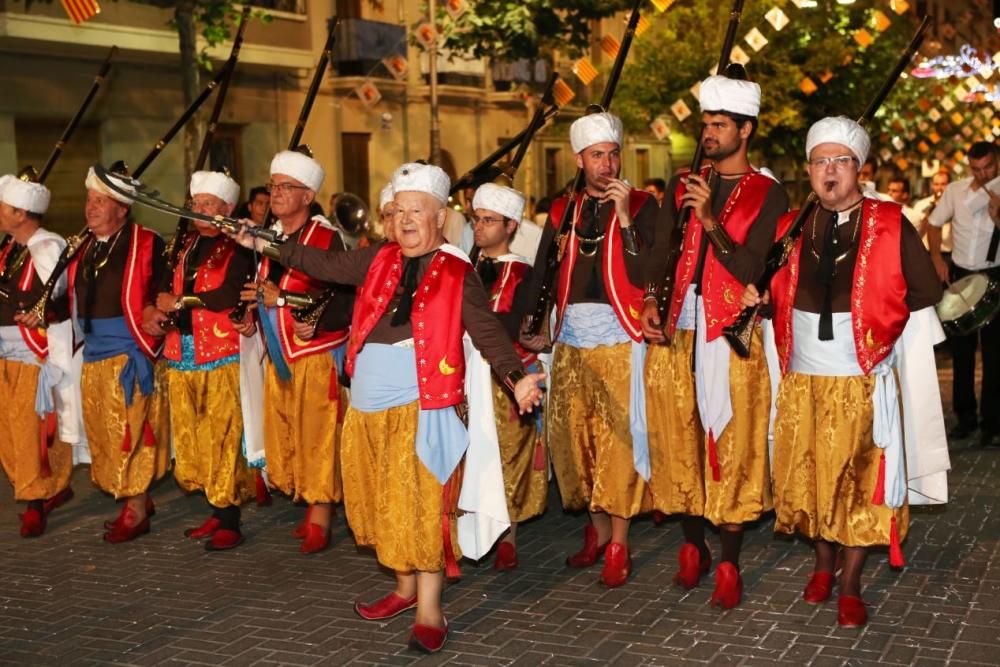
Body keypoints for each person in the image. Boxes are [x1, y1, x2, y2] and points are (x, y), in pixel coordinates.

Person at [229, 161, 545, 653]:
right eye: (398, 212)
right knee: (380, 500)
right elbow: (317, 264)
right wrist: (260, 242)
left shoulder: (458, 270)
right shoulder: (375, 259)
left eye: (416, 211)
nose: (405, 220)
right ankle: (402, 589)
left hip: (425, 407)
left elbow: (487, 333)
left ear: (440, 216)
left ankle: (430, 610)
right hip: (368, 409)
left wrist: (518, 378)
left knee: (422, 508)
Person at [742, 116, 944, 627]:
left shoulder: (890, 221)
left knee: (858, 479)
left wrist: (881, 320)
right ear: (808, 170)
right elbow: (771, 293)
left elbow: (925, 292)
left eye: (841, 161)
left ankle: (851, 581)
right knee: (807, 474)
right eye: (820, 162)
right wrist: (760, 299)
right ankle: (823, 563)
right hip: (802, 376)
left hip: (859, 375)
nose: (829, 171)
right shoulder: (790, 226)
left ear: (859, 169)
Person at [640, 74, 788, 608]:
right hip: (678, 327)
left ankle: (728, 559)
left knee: (732, 442)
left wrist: (710, 221)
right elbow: (661, 250)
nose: (708, 133)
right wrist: (652, 300)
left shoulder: (770, 193)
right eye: (705, 124)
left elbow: (756, 271)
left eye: (720, 125)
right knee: (677, 438)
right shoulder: (682, 184)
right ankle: (691, 546)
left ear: (745, 130)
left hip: (731, 336)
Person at [527, 111, 657, 588]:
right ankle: (598, 532)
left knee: (617, 444)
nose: (608, 163)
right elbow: (542, 270)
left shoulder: (643, 205)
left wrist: (624, 221)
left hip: (620, 336)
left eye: (613, 154)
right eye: (597, 155)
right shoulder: (563, 211)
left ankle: (620, 541)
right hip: (571, 340)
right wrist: (532, 323)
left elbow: (650, 273)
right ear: (580, 160)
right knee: (573, 443)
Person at [234, 149, 355, 554]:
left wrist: (285, 301)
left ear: (308, 195)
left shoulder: (325, 236)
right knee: (290, 433)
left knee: (318, 433)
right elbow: (264, 293)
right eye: (274, 186)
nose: (277, 194)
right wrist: (252, 320)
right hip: (279, 354)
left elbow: (342, 296)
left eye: (287, 187)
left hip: (314, 353)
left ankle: (321, 513)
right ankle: (310, 503)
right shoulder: (271, 236)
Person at [57, 164, 170, 542]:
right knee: (104, 433)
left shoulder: (148, 242)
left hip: (129, 349)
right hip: (92, 353)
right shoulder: (82, 246)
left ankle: (136, 509)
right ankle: (136, 498)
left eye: (101, 201)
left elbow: (167, 287)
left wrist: (157, 308)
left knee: (130, 429)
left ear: (122, 208)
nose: (91, 207)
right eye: (90, 200)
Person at [153, 171, 255, 550]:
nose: (201, 211)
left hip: (220, 352)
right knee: (192, 436)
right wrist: (160, 304)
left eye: (209, 205)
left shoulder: (238, 246)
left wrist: (181, 302)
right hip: (182, 352)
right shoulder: (184, 243)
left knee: (224, 434)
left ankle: (230, 516)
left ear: (227, 208)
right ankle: (215, 507)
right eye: (196, 204)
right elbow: (165, 286)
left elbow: (228, 294)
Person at [470, 182, 547, 570]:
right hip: (467, 375)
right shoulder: (464, 267)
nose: (479, 227)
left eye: (488, 220)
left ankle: (508, 536)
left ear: (511, 225)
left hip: (508, 378)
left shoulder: (522, 273)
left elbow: (514, 324)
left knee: (509, 457)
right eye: (476, 219)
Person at [0, 174, 76, 537]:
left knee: (31, 431)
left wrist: (40, 311)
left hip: (34, 353)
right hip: (5, 352)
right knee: (10, 432)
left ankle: (36, 501)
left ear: (20, 213)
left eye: (4, 208)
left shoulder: (47, 246)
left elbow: (60, 298)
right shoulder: (9, 247)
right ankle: (41, 491)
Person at [928, 142, 1000, 445]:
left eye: (989, 168)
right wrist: (935, 259)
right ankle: (965, 417)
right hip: (960, 273)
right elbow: (933, 224)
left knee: (995, 353)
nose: (983, 174)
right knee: (961, 352)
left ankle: (992, 423)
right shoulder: (956, 191)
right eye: (977, 169)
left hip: (994, 273)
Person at [911, 170, 951, 256]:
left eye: (943, 184)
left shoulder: (955, 204)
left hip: (948, 252)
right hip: (926, 253)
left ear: (949, 185)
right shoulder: (921, 205)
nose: (939, 188)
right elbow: (915, 233)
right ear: (932, 185)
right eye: (936, 184)